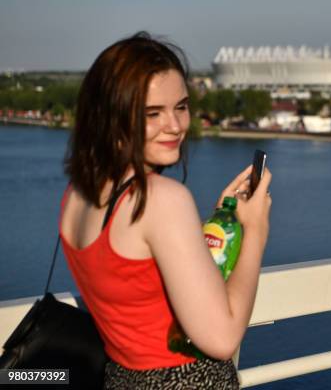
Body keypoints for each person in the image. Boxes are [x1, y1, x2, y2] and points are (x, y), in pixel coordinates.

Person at [59, 32, 271, 389]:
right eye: (152, 113)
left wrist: (220, 226)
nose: (175, 126)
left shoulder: (77, 193)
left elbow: (136, 285)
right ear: (112, 115)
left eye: (182, 106)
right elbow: (221, 339)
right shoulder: (162, 199)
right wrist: (254, 234)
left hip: (120, 378)